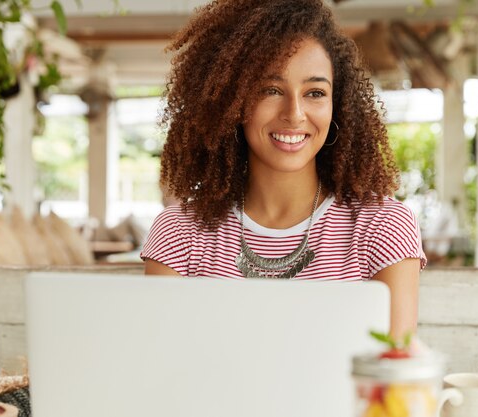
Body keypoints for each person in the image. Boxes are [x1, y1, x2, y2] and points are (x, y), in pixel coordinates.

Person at [141, 0, 426, 339]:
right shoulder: (180, 234)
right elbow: (159, 369)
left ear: (338, 105)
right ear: (232, 101)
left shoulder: (382, 227)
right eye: (271, 90)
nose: (294, 113)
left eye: (315, 92)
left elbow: (395, 373)